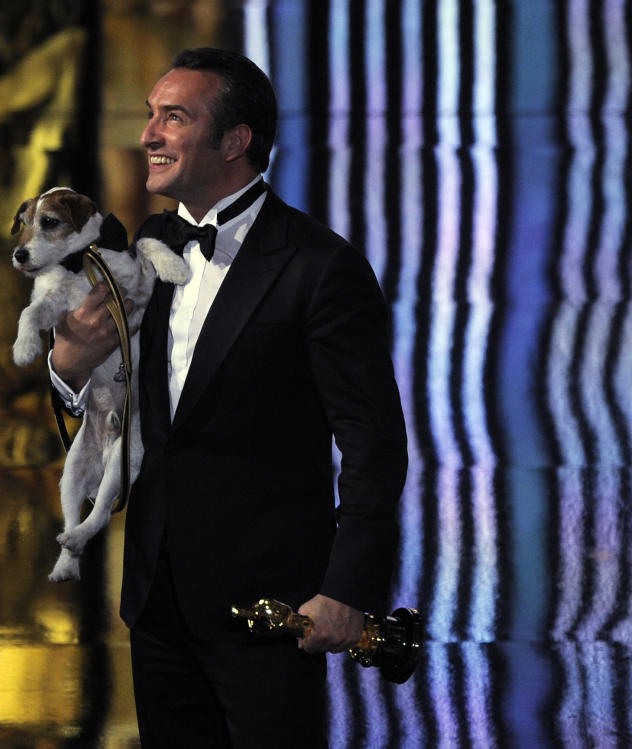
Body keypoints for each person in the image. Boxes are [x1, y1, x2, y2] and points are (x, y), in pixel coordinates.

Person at [50, 48, 408, 747]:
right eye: (150, 114)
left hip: (272, 609)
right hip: (156, 601)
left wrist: (345, 589)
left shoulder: (319, 267)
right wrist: (69, 364)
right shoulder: (152, 241)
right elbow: (120, 413)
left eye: (173, 117)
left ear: (235, 140)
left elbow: (373, 444)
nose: (148, 133)